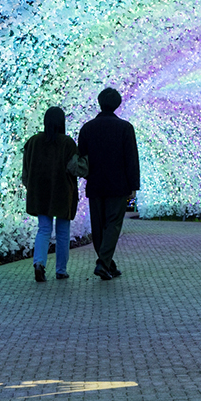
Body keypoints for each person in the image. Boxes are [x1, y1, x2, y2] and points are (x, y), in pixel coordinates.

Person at [77, 87, 139, 280]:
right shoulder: (125, 128)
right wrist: (133, 186)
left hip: (95, 184)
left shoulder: (87, 128)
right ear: (117, 104)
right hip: (118, 185)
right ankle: (103, 264)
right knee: (112, 225)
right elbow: (131, 159)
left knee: (99, 226)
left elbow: (81, 158)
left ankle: (108, 264)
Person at [22, 106, 81, 282]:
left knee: (44, 229)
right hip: (63, 193)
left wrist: (29, 185)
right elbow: (74, 168)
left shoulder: (33, 142)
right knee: (63, 232)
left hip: (40, 192)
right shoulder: (67, 143)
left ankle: (39, 263)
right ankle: (61, 270)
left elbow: (26, 169)